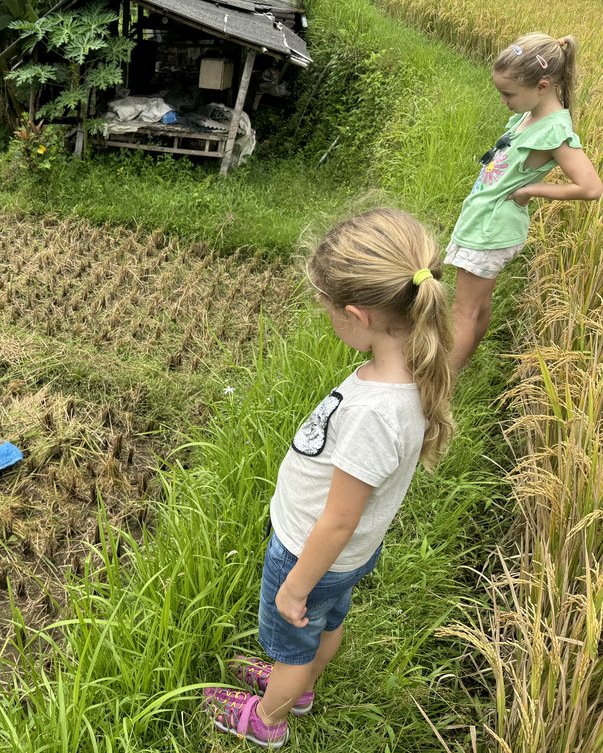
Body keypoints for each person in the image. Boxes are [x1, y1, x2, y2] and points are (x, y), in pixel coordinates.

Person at [201, 209, 455, 748]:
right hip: (349, 559)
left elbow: (338, 519)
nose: (327, 318)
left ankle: (268, 717)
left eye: (328, 311)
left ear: (358, 316)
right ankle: (303, 686)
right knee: (325, 624)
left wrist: (295, 586)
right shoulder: (405, 372)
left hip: (309, 554)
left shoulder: (375, 412)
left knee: (292, 639)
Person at [447, 33, 602, 374]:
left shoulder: (552, 129)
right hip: (486, 222)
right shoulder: (532, 113)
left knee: (463, 312)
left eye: (508, 94)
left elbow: (591, 187)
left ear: (543, 85)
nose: (503, 100)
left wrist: (533, 189)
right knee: (478, 307)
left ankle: (438, 390)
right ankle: (458, 367)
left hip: (488, 230)